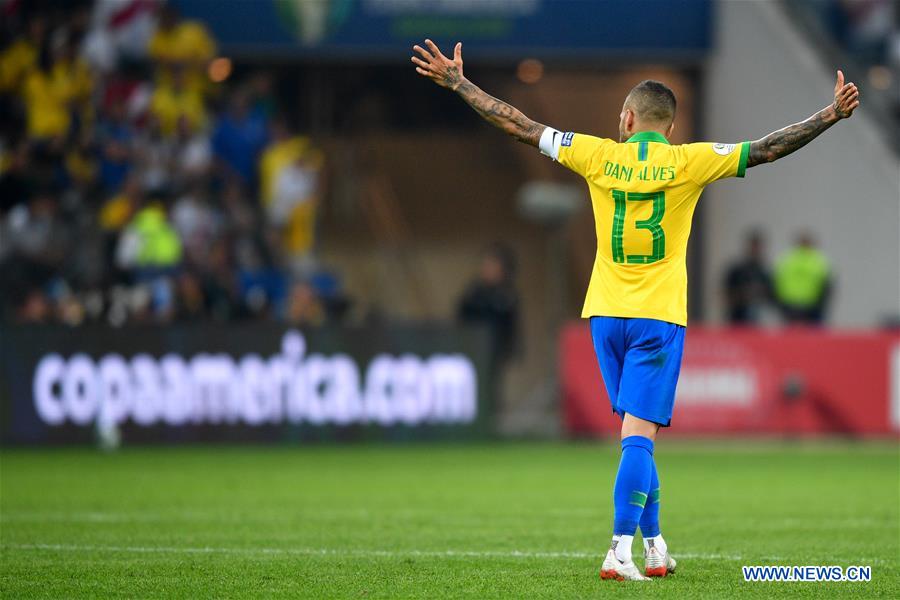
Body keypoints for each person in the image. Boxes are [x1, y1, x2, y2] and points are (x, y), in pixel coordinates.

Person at [411, 39, 859, 581]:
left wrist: (459, 83)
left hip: (605, 316)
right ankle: (619, 551)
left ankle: (655, 546)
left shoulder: (597, 154)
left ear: (627, 119)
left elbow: (520, 125)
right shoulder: (690, 161)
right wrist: (829, 115)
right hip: (657, 318)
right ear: (668, 127)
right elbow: (767, 148)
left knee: (635, 436)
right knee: (639, 438)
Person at [457, 243, 520, 369]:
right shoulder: (474, 293)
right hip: (473, 349)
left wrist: (510, 351)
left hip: (495, 353)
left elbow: (511, 329)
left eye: (493, 266)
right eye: (486, 265)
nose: (488, 270)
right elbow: (462, 317)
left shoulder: (507, 296)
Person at [773, 232, 832, 324]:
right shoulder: (818, 260)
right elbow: (776, 282)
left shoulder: (787, 259)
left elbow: (826, 285)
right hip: (792, 305)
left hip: (809, 306)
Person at [723, 230, 772, 324]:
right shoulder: (737, 271)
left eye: (758, 247)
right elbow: (726, 294)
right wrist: (743, 295)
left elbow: (769, 296)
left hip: (758, 320)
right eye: (754, 247)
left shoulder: (763, 272)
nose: (756, 250)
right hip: (737, 318)